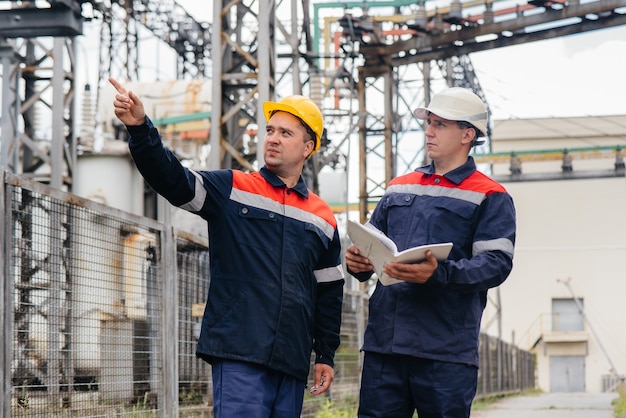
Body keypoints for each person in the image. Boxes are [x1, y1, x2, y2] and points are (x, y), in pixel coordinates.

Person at [109, 77, 345, 418]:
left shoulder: (322, 217)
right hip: (239, 353)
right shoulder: (234, 189)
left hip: (291, 360)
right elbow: (173, 179)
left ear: (308, 147)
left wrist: (325, 355)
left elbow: (330, 293)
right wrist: (141, 130)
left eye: (285, 133)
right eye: (270, 130)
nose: (273, 139)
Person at [345, 87, 516, 418]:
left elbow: (496, 264)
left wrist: (440, 273)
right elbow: (371, 244)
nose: (429, 131)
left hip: (445, 352)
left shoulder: (490, 196)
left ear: (468, 134)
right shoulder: (399, 187)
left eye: (440, 124)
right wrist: (358, 262)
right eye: (430, 122)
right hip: (386, 345)